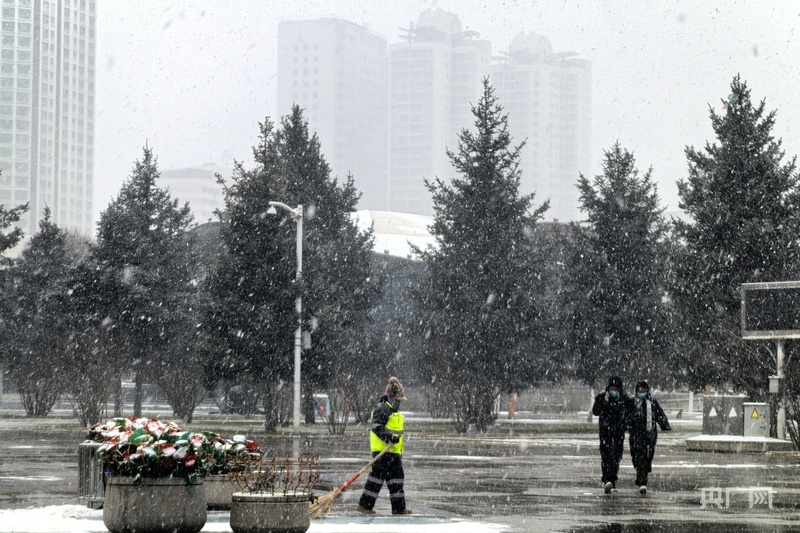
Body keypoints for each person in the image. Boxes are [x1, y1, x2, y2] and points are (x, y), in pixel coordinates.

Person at [356, 376, 412, 515]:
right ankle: (365, 506)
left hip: (393, 453)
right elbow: (377, 426)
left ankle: (399, 508)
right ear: (392, 397)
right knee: (376, 480)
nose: (399, 403)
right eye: (398, 400)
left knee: (396, 481)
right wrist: (389, 437)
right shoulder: (383, 408)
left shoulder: (393, 411)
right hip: (382, 452)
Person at [627, 380, 671, 495]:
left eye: (644, 391)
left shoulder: (652, 402)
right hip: (636, 435)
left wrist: (664, 424)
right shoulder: (632, 403)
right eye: (640, 391)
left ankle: (643, 480)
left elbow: (659, 414)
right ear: (636, 391)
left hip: (649, 435)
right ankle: (640, 477)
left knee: (647, 457)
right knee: (637, 457)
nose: (642, 393)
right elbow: (626, 416)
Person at [592, 375, 629, 493]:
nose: (613, 391)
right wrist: (604, 402)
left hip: (618, 432)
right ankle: (606, 479)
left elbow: (628, 413)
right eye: (611, 389)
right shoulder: (601, 397)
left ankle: (613, 478)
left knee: (616, 456)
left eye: (615, 389)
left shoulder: (624, 399)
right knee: (606, 455)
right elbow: (596, 411)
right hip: (605, 431)